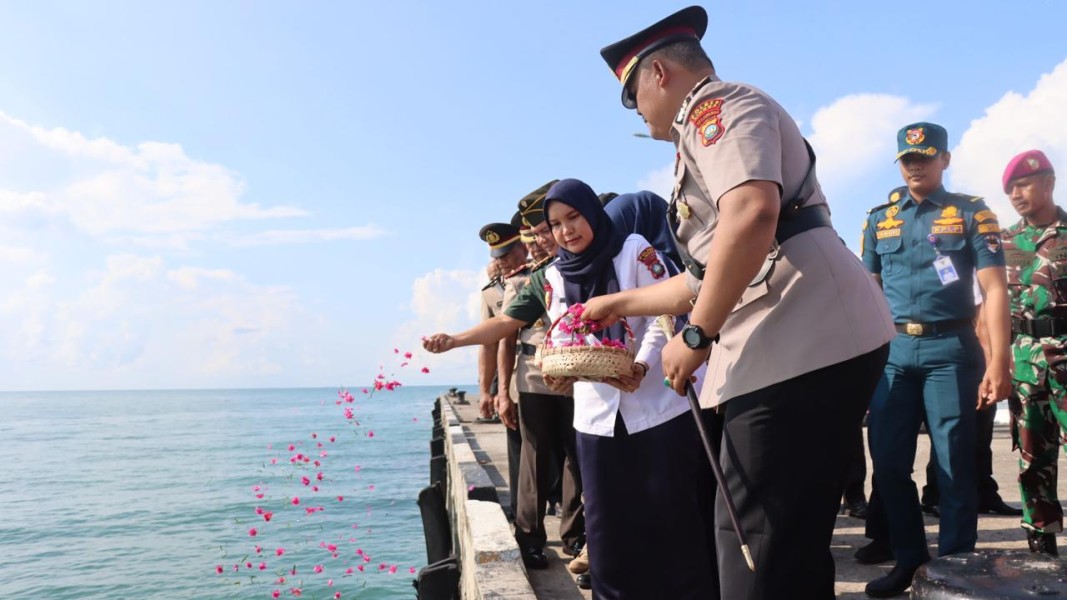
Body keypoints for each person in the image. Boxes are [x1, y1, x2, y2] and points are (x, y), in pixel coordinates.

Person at [591, 7, 895, 599]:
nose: (637, 112)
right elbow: (705, 273)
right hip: (799, 339)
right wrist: (618, 304)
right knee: (786, 544)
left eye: (632, 97)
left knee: (753, 541)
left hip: (800, 339)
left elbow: (753, 214)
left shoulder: (716, 107)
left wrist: (696, 335)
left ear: (658, 74)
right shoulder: (701, 135)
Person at [428, 179, 718, 599]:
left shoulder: (634, 251)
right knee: (606, 526)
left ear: (593, 214)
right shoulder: (553, 275)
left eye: (574, 217)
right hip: (596, 418)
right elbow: (534, 328)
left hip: (657, 408)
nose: (566, 231)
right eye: (556, 224)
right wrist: (457, 341)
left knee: (672, 517)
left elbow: (666, 316)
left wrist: (640, 364)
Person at [860, 122, 1010, 597]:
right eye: (908, 159)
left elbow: (994, 288)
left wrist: (1000, 360)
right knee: (888, 464)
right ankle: (909, 561)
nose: (916, 166)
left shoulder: (971, 213)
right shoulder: (879, 220)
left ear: (945, 159)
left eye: (925, 157)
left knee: (954, 468)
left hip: (952, 351)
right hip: (894, 354)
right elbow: (869, 293)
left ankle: (953, 574)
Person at [497, 187, 586, 570]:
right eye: (533, 236)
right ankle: (529, 537)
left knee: (576, 457)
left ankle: (574, 535)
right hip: (534, 379)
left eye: (542, 234)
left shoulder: (576, 270)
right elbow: (504, 339)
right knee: (534, 458)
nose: (538, 243)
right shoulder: (523, 281)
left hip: (576, 376)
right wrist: (503, 392)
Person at [1001, 149, 1065, 556]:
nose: (1016, 195)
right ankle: (1041, 541)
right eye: (1010, 189)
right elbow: (992, 306)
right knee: (1032, 455)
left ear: (1048, 182)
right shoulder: (1004, 241)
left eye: (1023, 185)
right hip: (1024, 361)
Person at [476, 222, 528, 519]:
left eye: (506, 254)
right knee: (518, 444)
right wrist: (488, 390)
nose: (501, 262)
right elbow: (489, 344)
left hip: (544, 370)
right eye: (497, 257)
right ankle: (521, 510)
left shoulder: (540, 276)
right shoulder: (489, 294)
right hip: (511, 375)